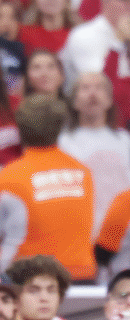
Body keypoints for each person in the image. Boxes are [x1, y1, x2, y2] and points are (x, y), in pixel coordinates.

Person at [0, 94, 95, 281]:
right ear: (59, 128)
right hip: (81, 276)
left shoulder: (9, 177)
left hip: (32, 281)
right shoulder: (83, 173)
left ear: (20, 128)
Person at [58, 71, 130, 238]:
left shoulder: (126, 140)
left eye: (99, 88)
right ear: (74, 101)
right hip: (82, 231)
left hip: (123, 231)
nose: (92, 93)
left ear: (109, 100)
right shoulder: (63, 142)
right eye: (85, 88)